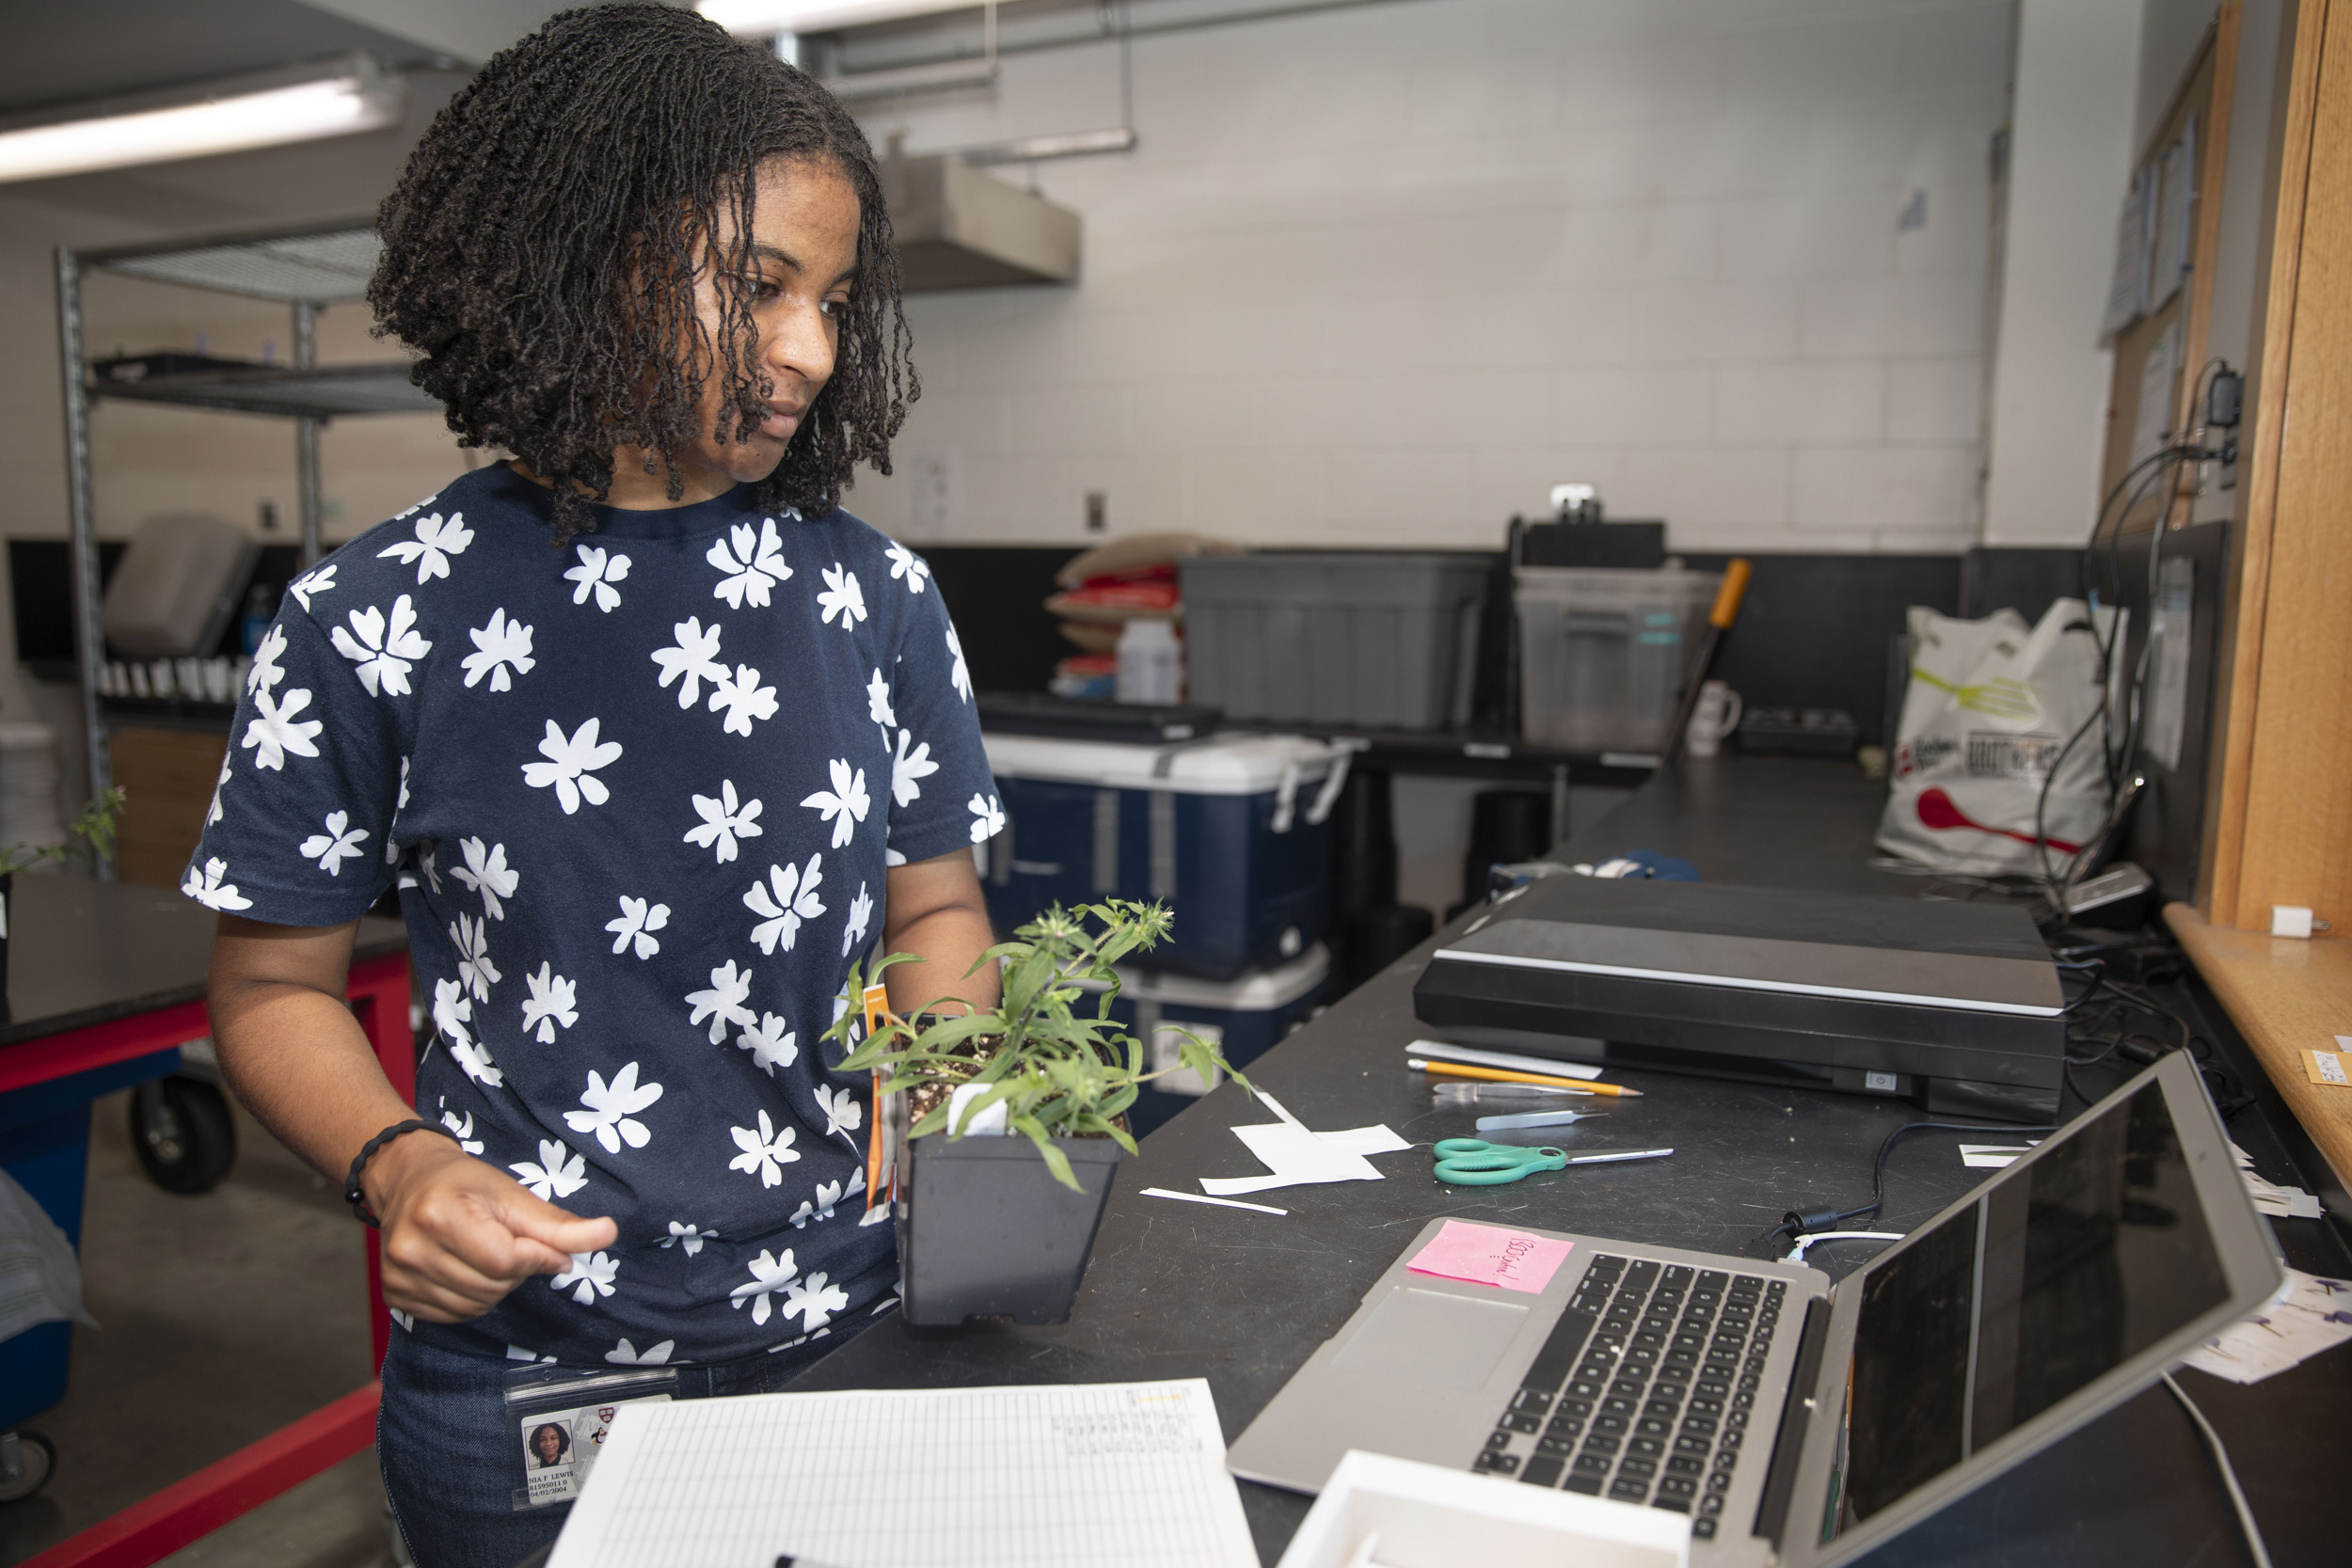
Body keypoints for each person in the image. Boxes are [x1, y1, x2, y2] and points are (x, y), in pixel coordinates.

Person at [191, 9, 1000, 1564]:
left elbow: (937, 896)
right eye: (761, 287)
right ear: (588, 254)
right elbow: (270, 985)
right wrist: (398, 1162)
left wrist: (951, 1059)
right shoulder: (376, 616)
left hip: (861, 1316)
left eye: (833, 300)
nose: (813, 350)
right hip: (531, 1367)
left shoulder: (874, 600)